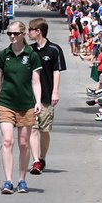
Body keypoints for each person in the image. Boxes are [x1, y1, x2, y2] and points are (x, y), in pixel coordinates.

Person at [0, 21, 42, 195]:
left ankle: (22, 179)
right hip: (6, 104)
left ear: (23, 34)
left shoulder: (31, 55)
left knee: (24, 144)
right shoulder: (4, 55)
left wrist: (38, 102)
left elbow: (36, 82)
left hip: (26, 105)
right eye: (9, 34)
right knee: (7, 140)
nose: (12, 36)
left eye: (15, 34)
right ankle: (8, 180)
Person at [26, 18, 64, 175]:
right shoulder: (29, 50)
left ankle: (42, 157)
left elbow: (57, 70)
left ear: (38, 31)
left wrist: (55, 91)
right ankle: (35, 161)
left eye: (31, 30)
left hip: (47, 96)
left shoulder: (54, 49)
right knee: (32, 129)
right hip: (31, 97)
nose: (29, 32)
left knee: (44, 130)